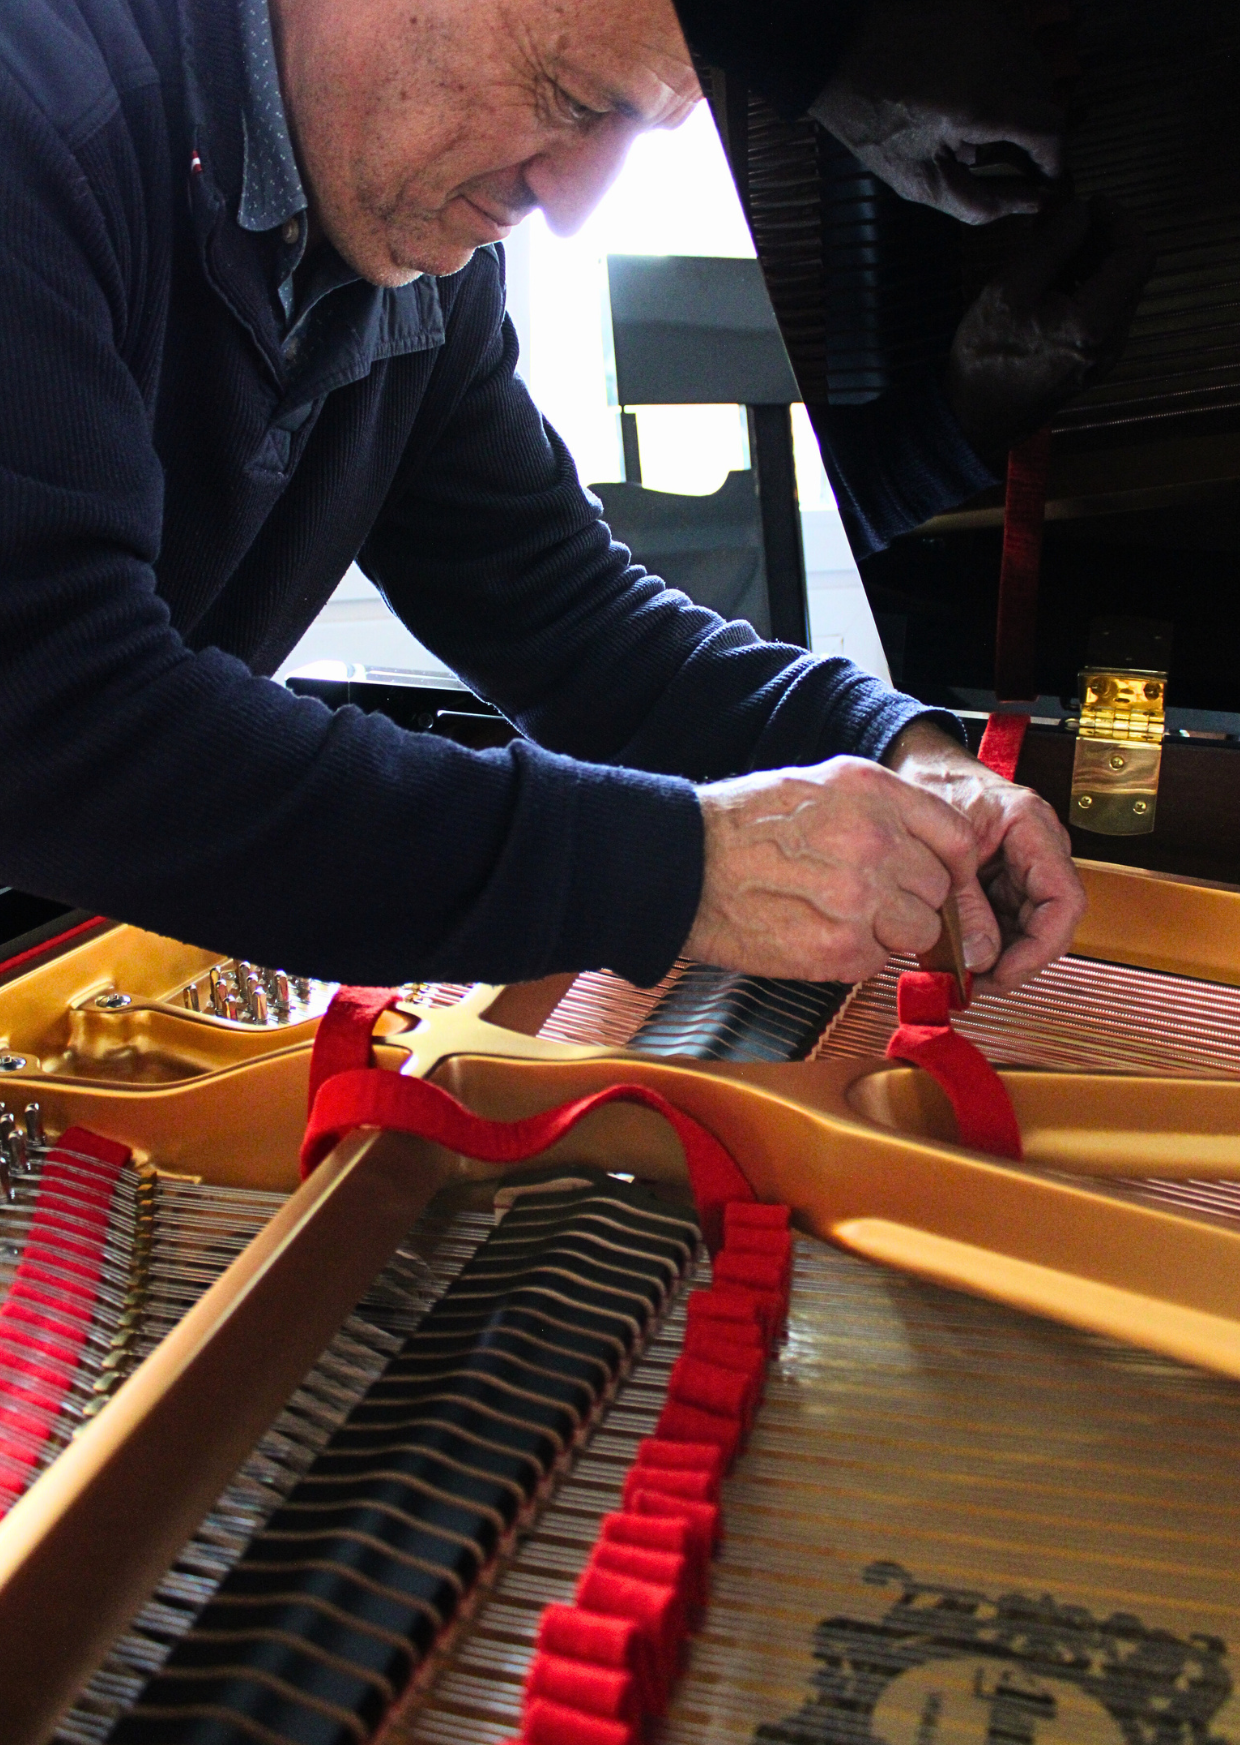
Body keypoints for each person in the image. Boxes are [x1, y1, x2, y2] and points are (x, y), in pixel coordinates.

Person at [0, 0, 1090, 1002]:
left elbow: (571, 621)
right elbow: (51, 708)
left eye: (640, 132)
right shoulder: (33, 100)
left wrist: (898, 750)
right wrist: (678, 867)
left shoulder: (428, 273)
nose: (573, 209)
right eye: (571, 102)